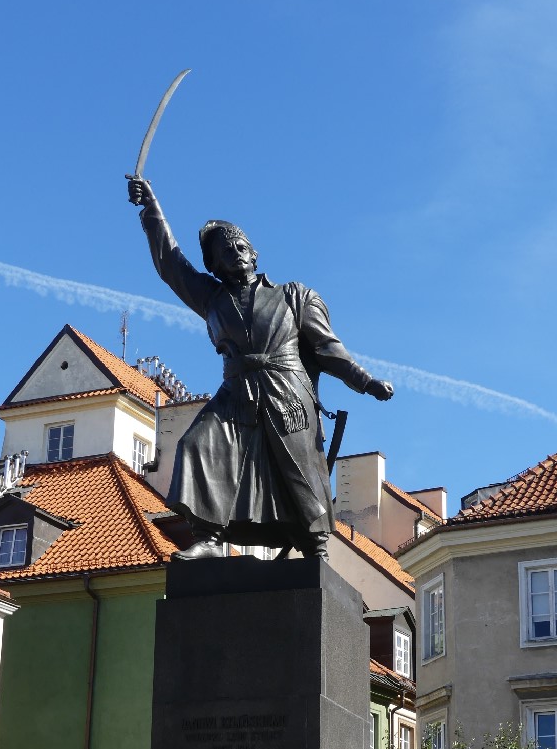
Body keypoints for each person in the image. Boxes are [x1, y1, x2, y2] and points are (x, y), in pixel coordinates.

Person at [128, 178, 393, 561]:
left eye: (240, 247)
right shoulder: (212, 298)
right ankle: (210, 537)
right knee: (197, 444)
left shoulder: (294, 296)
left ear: (254, 254)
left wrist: (366, 381)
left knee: (299, 468)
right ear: (215, 266)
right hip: (236, 392)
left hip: (287, 389)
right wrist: (151, 209)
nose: (235, 253)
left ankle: (315, 545)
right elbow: (171, 263)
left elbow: (328, 348)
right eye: (225, 251)